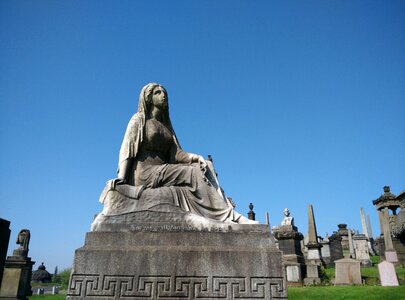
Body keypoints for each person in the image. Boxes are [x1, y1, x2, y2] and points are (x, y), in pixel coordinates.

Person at [111, 83, 254, 224]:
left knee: (206, 165)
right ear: (148, 98)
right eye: (158, 93)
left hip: (163, 170)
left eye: (165, 93)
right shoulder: (139, 120)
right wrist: (122, 178)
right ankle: (227, 216)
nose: (163, 96)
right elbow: (126, 148)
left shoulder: (167, 127)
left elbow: (177, 154)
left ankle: (225, 214)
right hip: (145, 172)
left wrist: (196, 157)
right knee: (192, 173)